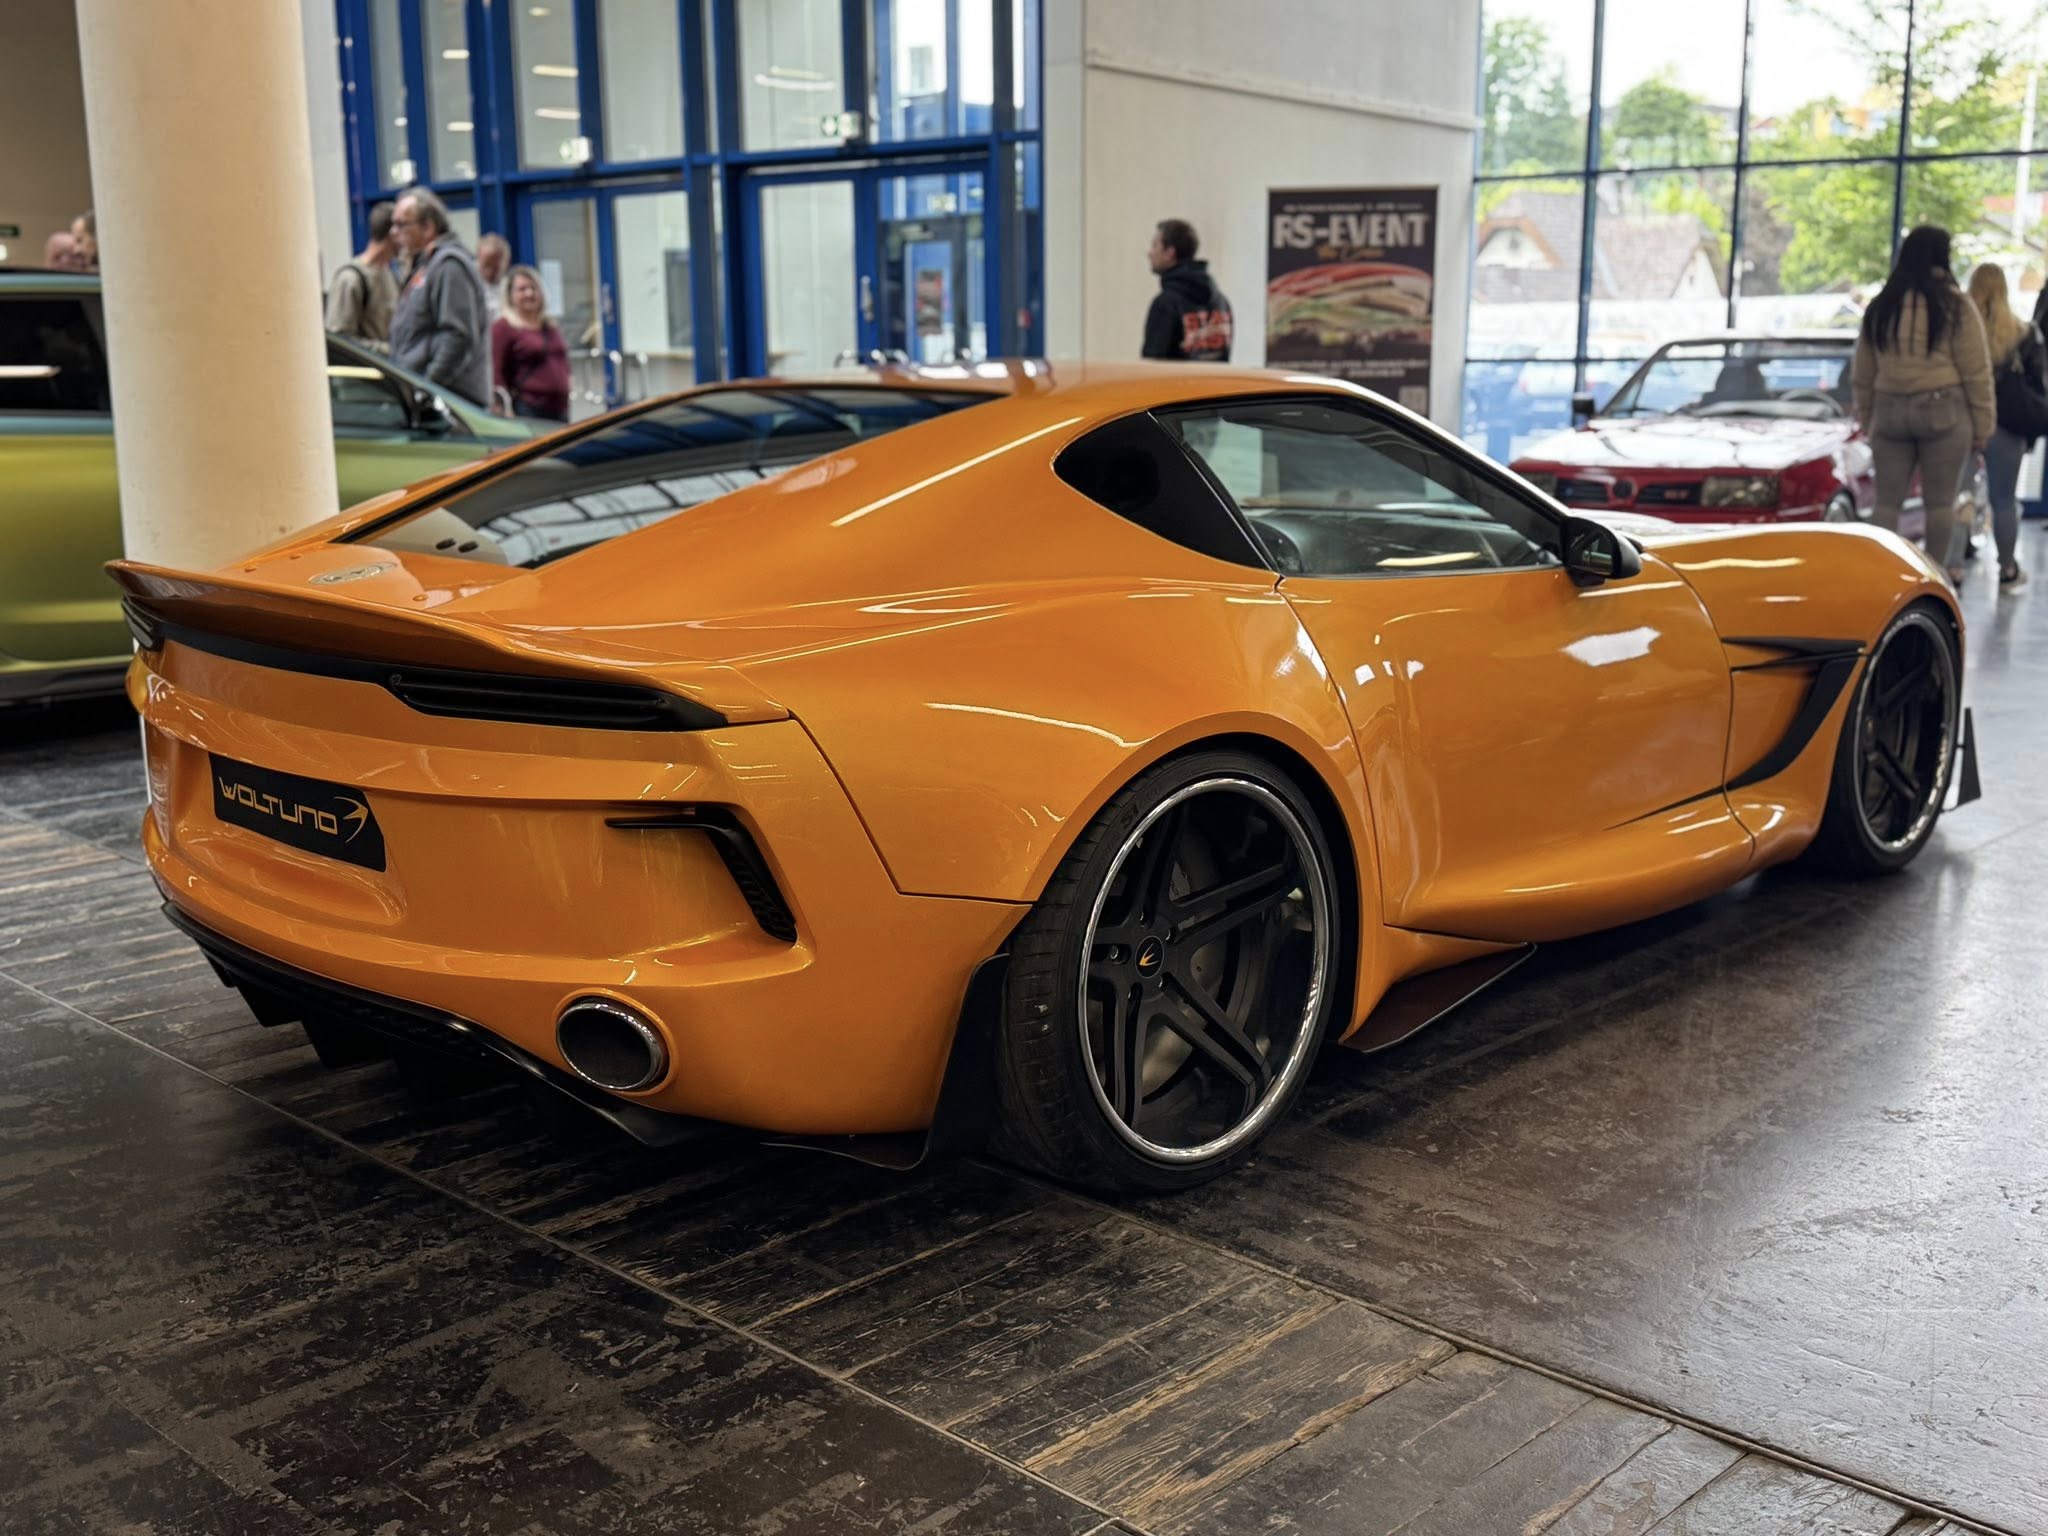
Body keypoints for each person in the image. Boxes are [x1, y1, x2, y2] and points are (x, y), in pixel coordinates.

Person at [1852, 225, 1995, 586]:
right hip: (1944, 411)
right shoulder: (1955, 305)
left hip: (1889, 411)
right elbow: (1976, 371)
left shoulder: (1882, 305)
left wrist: (1867, 417)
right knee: (1940, 503)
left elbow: (1863, 371)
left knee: (1887, 503)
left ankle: (1882, 579)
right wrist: (1983, 425)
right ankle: (1932, 580)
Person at [1967, 262, 2043, 592]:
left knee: (1958, 498)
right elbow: (2038, 380)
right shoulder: (2022, 332)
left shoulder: (1963, 330)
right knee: (2003, 500)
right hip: (2008, 426)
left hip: (1966, 423)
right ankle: (2007, 569)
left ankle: (1951, 567)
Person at [387, 186, 491, 408]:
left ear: (427, 227)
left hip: (452, 403)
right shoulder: (425, 265)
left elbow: (459, 336)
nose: (394, 233)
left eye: (401, 225)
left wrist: (427, 388)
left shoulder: (449, 265)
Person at [1142, 218, 1233, 362]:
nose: (1149, 253)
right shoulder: (1222, 303)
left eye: (1155, 245)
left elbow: (1151, 366)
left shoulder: (1165, 304)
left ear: (1170, 252)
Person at [491, 264, 570, 423]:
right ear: (510, 295)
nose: (529, 293)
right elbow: (496, 372)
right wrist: (501, 409)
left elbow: (562, 360)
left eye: (533, 288)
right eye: (522, 289)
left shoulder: (549, 325)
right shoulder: (503, 327)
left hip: (560, 408)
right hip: (528, 409)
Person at [324, 201, 400, 349]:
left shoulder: (391, 275)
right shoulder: (350, 279)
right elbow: (340, 340)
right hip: (369, 364)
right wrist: (386, 350)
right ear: (392, 234)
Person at [477, 233, 511, 322]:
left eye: (496, 268)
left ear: (507, 263)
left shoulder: (513, 288)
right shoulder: (468, 286)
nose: (490, 272)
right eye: (486, 266)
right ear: (478, 260)